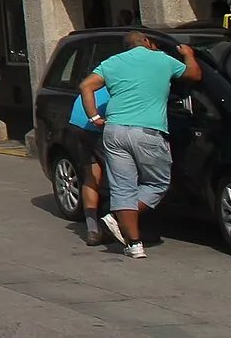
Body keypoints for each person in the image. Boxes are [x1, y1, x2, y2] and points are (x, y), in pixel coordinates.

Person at [78, 32, 201, 258]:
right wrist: (189, 55)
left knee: (123, 187)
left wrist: (94, 117)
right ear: (146, 42)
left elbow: (85, 86)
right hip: (147, 131)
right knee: (157, 183)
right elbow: (194, 74)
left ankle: (134, 245)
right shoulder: (162, 58)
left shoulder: (112, 62)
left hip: (114, 131)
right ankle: (116, 218)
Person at [67, 83, 111, 244]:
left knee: (91, 176)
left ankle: (92, 229)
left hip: (78, 122)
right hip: (97, 125)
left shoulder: (104, 70)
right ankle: (112, 225)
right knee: (119, 176)